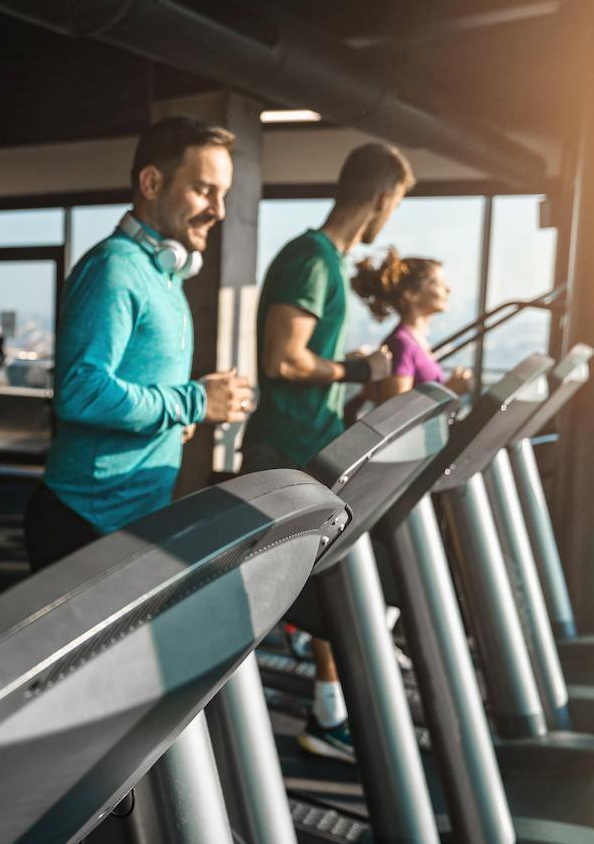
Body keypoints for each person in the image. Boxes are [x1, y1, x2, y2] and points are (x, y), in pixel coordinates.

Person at [241, 141, 415, 763]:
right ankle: (312, 718)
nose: (391, 217)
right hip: (284, 452)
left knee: (322, 589)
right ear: (380, 196)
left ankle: (328, 708)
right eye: (396, 203)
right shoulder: (313, 259)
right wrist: (356, 369)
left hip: (304, 445)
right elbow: (283, 358)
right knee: (308, 594)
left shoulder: (328, 262)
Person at [24, 116, 254, 572]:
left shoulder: (163, 274)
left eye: (223, 195)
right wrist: (193, 403)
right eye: (204, 190)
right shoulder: (115, 268)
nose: (219, 210)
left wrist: (177, 416)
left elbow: (140, 386)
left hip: (130, 520)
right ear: (151, 182)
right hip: (85, 523)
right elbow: (81, 391)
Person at [351, 248, 474, 401]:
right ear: (411, 294)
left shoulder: (415, 341)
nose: (448, 289)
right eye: (437, 283)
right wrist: (450, 390)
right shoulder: (402, 344)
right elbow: (394, 416)